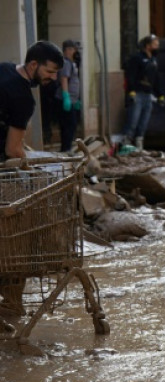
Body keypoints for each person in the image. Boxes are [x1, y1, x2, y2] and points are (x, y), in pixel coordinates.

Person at [0, 41, 63, 322]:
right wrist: (30, 165)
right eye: (49, 72)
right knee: (17, 236)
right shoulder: (24, 98)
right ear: (34, 65)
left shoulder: (3, 70)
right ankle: (11, 303)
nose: (52, 78)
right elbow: (12, 150)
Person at [122, 34, 164, 149]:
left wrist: (160, 95)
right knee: (133, 121)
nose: (157, 47)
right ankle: (126, 144)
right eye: (155, 45)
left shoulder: (153, 60)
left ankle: (139, 145)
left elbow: (156, 79)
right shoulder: (137, 58)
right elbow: (130, 75)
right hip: (137, 94)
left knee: (143, 123)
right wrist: (131, 91)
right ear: (147, 46)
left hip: (148, 95)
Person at [57, 40, 82, 152]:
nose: (75, 52)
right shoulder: (66, 63)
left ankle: (67, 148)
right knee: (69, 125)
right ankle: (66, 150)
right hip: (65, 100)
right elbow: (64, 79)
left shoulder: (73, 63)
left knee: (71, 125)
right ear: (67, 50)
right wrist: (66, 96)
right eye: (73, 49)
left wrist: (77, 99)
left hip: (72, 100)